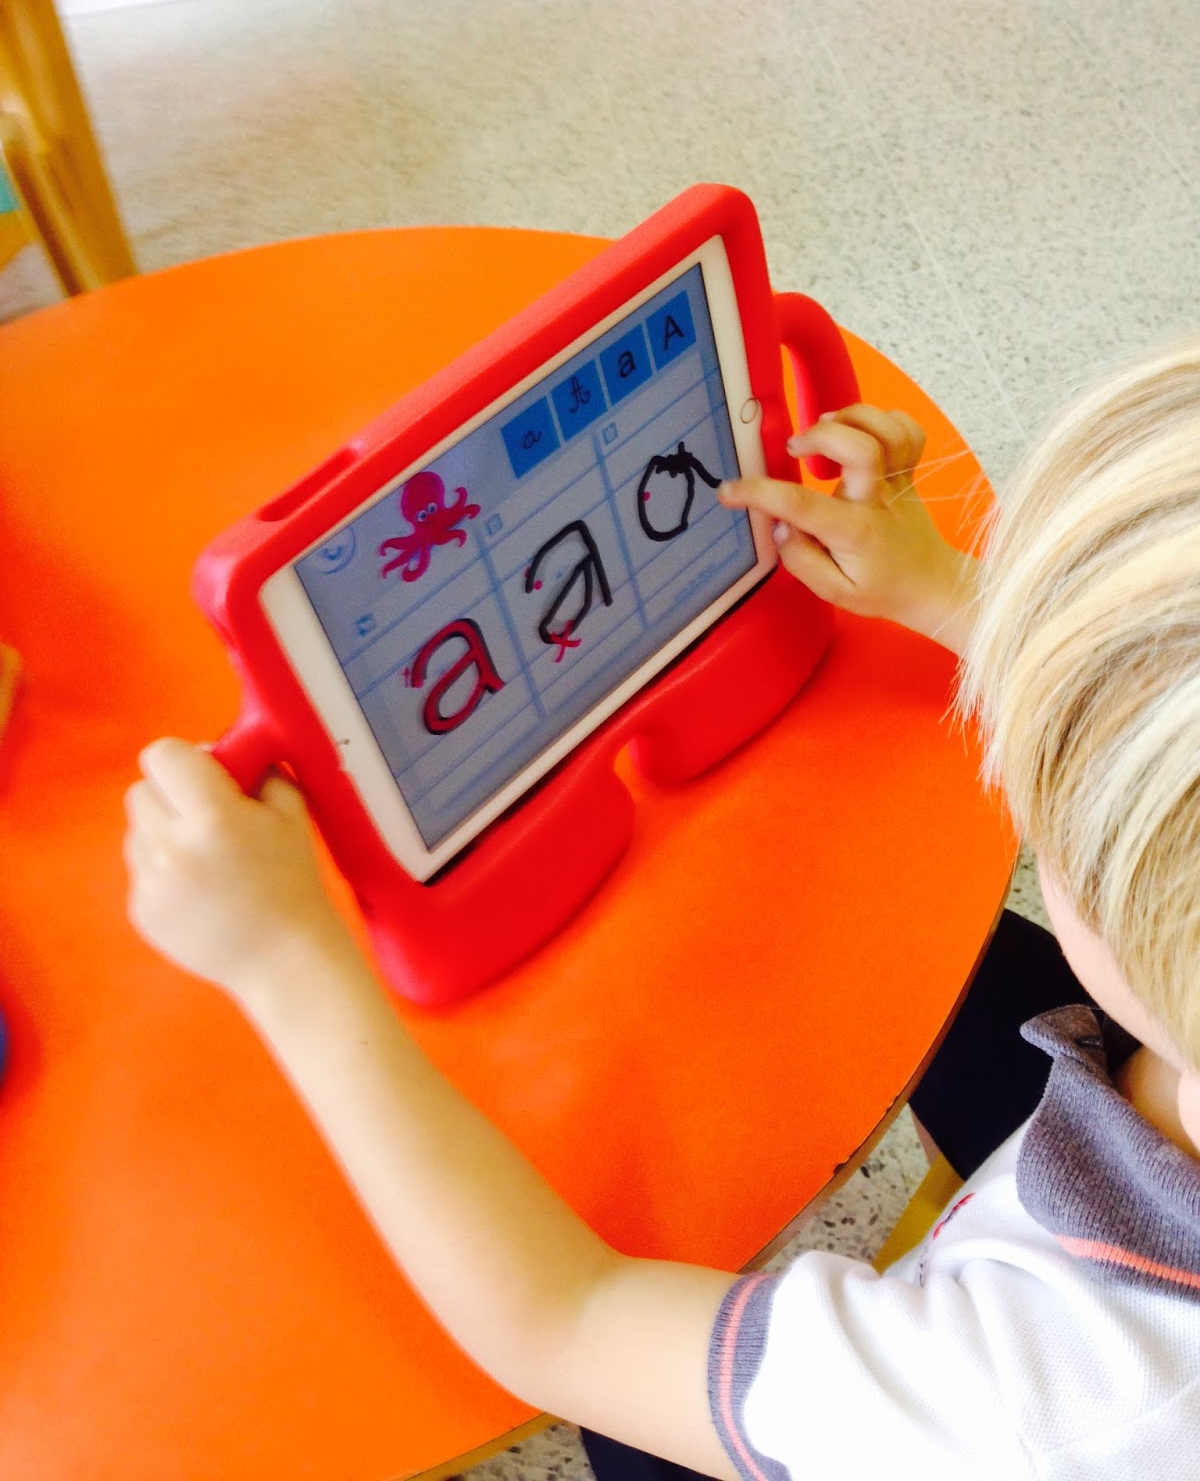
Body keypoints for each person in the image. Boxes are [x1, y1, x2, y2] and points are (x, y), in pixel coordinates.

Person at [123, 343, 1200, 1479]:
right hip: (1103, 1150)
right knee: (969, 966)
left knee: (635, 1433)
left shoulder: (1043, 1406)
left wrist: (286, 961)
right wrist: (944, 591)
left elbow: (567, 1322)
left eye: (1059, 768)